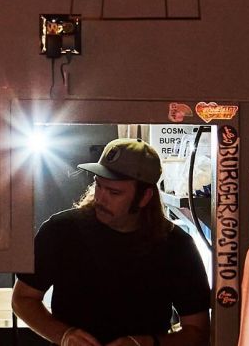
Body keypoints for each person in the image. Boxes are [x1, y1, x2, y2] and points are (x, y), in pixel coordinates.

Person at [12, 138, 210, 346]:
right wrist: (64, 335)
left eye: (114, 192)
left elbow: (198, 331)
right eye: (99, 186)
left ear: (145, 197)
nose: (101, 198)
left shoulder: (176, 246)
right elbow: (23, 299)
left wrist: (144, 344)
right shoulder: (61, 231)